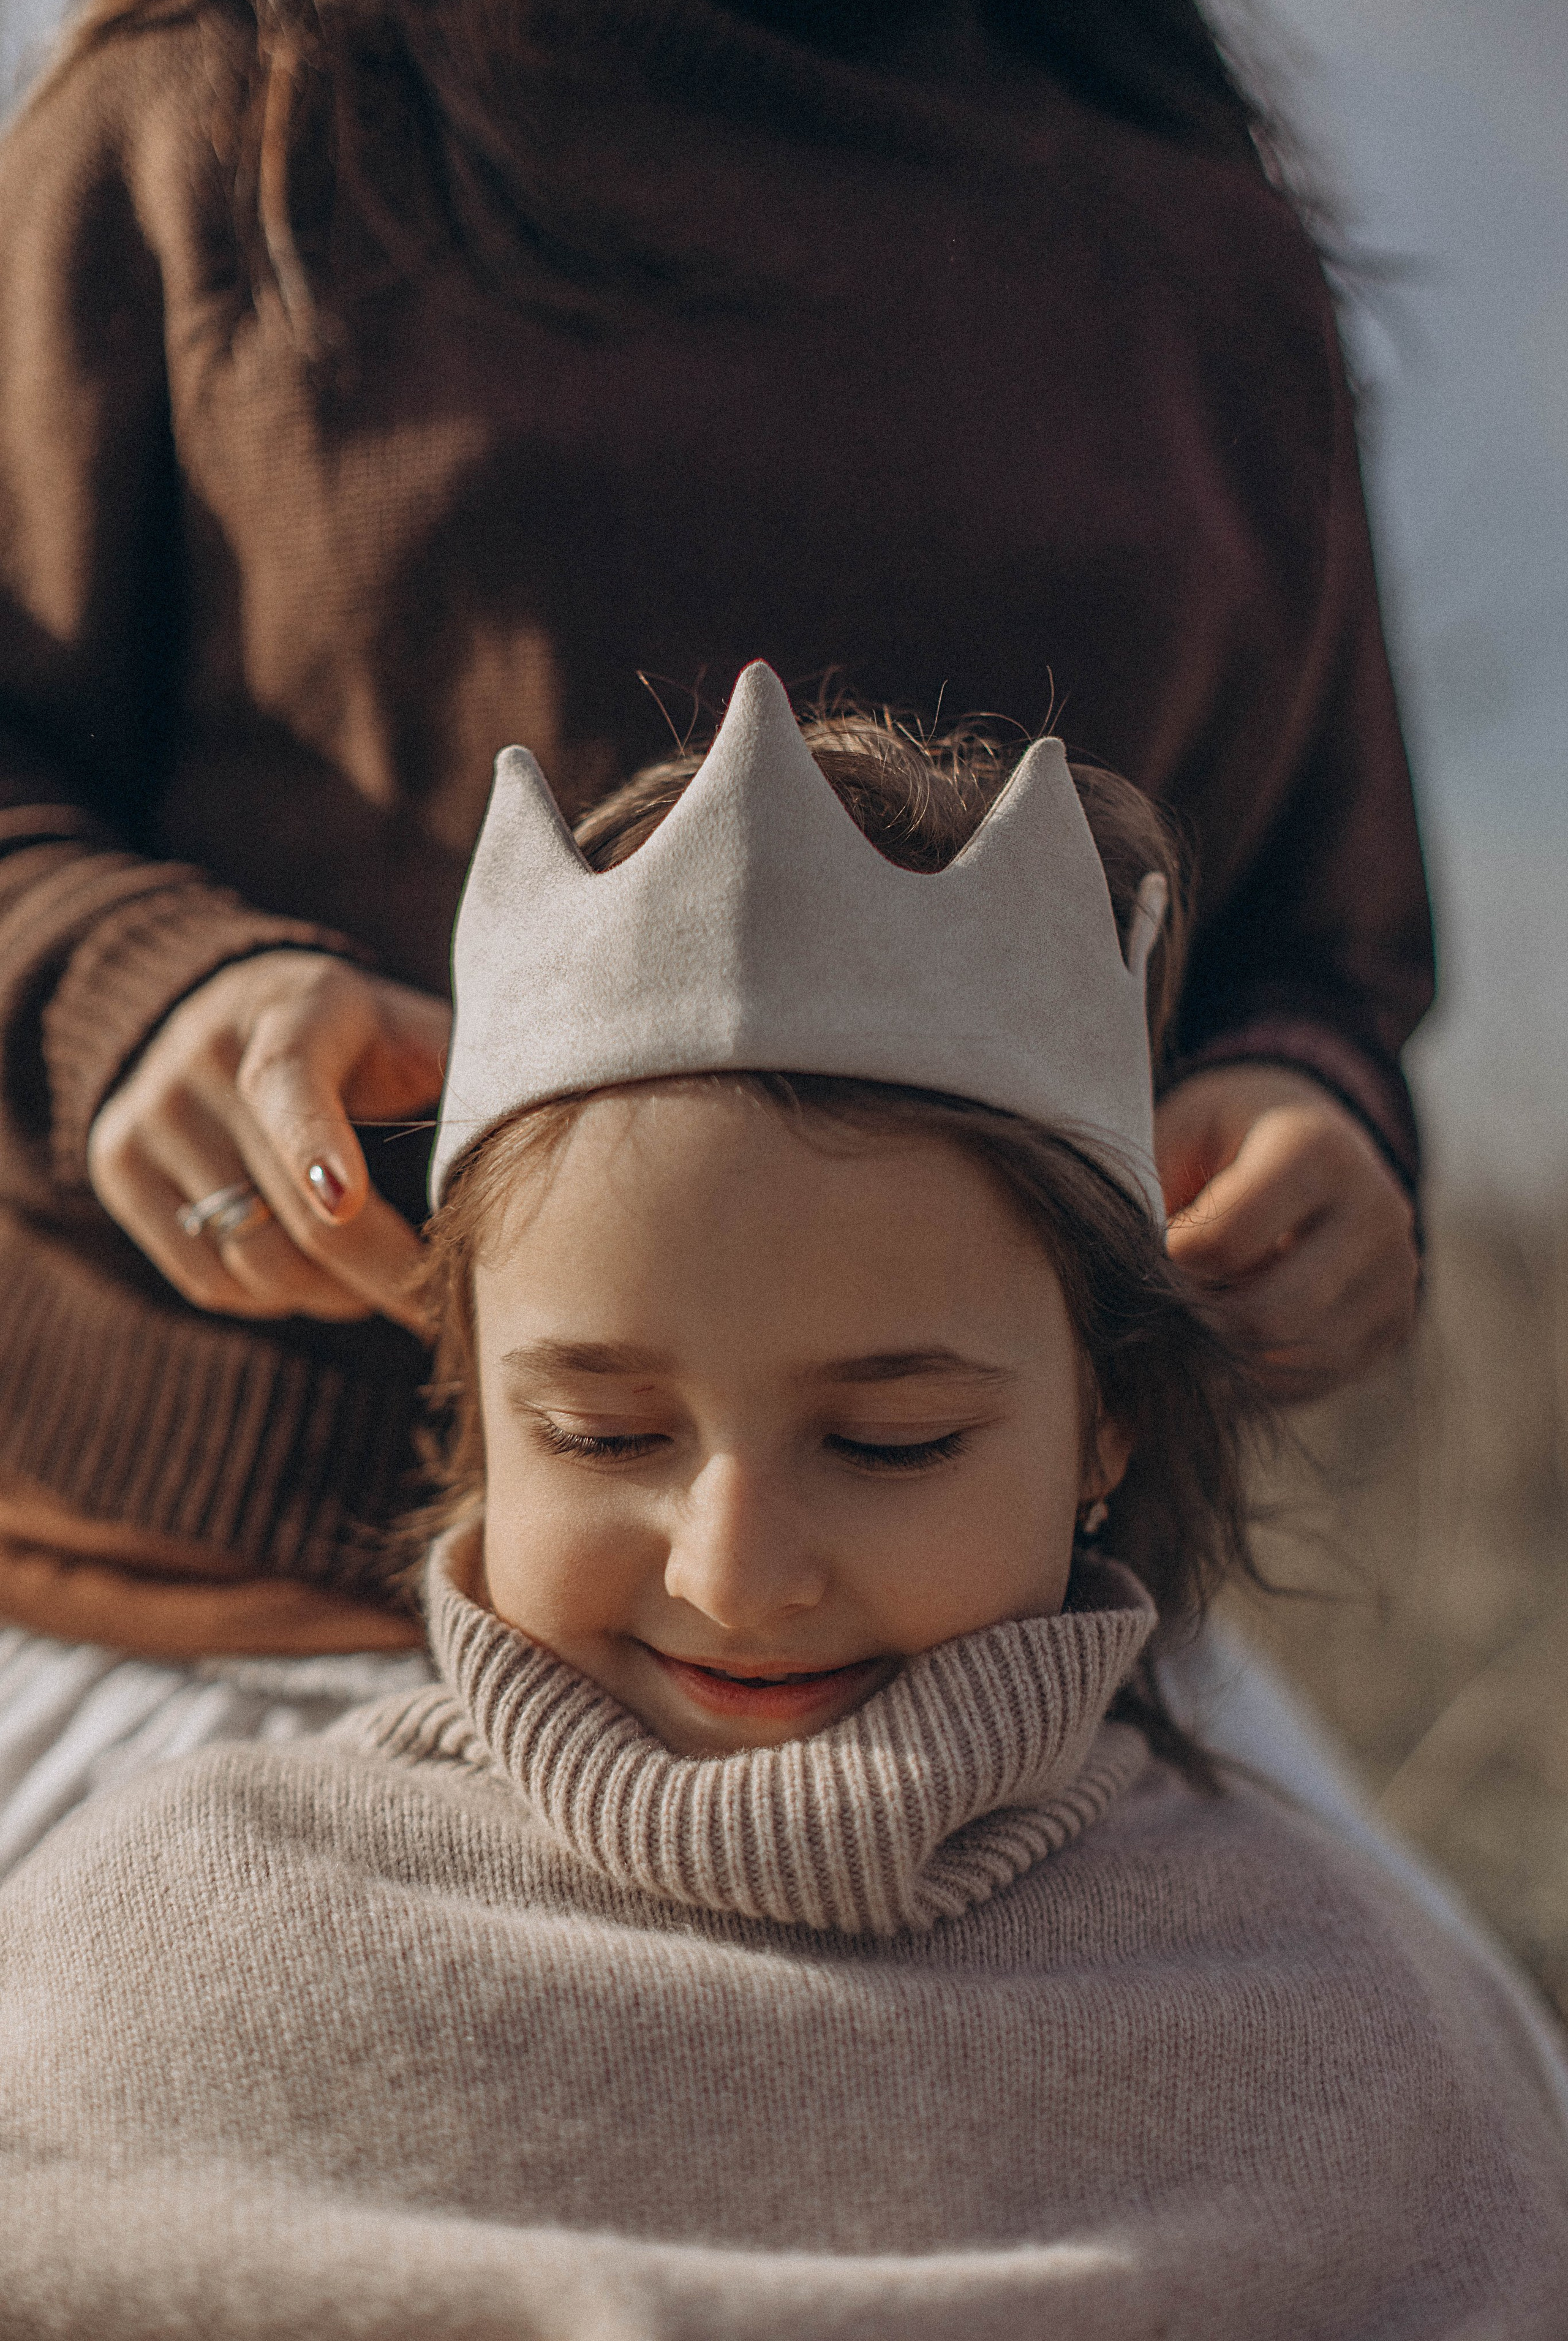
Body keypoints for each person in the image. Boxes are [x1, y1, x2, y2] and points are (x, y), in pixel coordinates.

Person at [0, 667, 1555, 2340]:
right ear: (465, 1393)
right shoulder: (168, 1946)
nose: (735, 1579)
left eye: (891, 1446)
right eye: (602, 1434)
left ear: (1112, 1422)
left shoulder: (1346, 2030)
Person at [0, 0, 1428, 1681]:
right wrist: (134, 992)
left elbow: (1320, 936)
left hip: (1015, 1666)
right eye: (607, 1431)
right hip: (212, 1616)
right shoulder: (231, 113)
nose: (729, 1575)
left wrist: (1304, 1104)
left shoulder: (1205, 257)